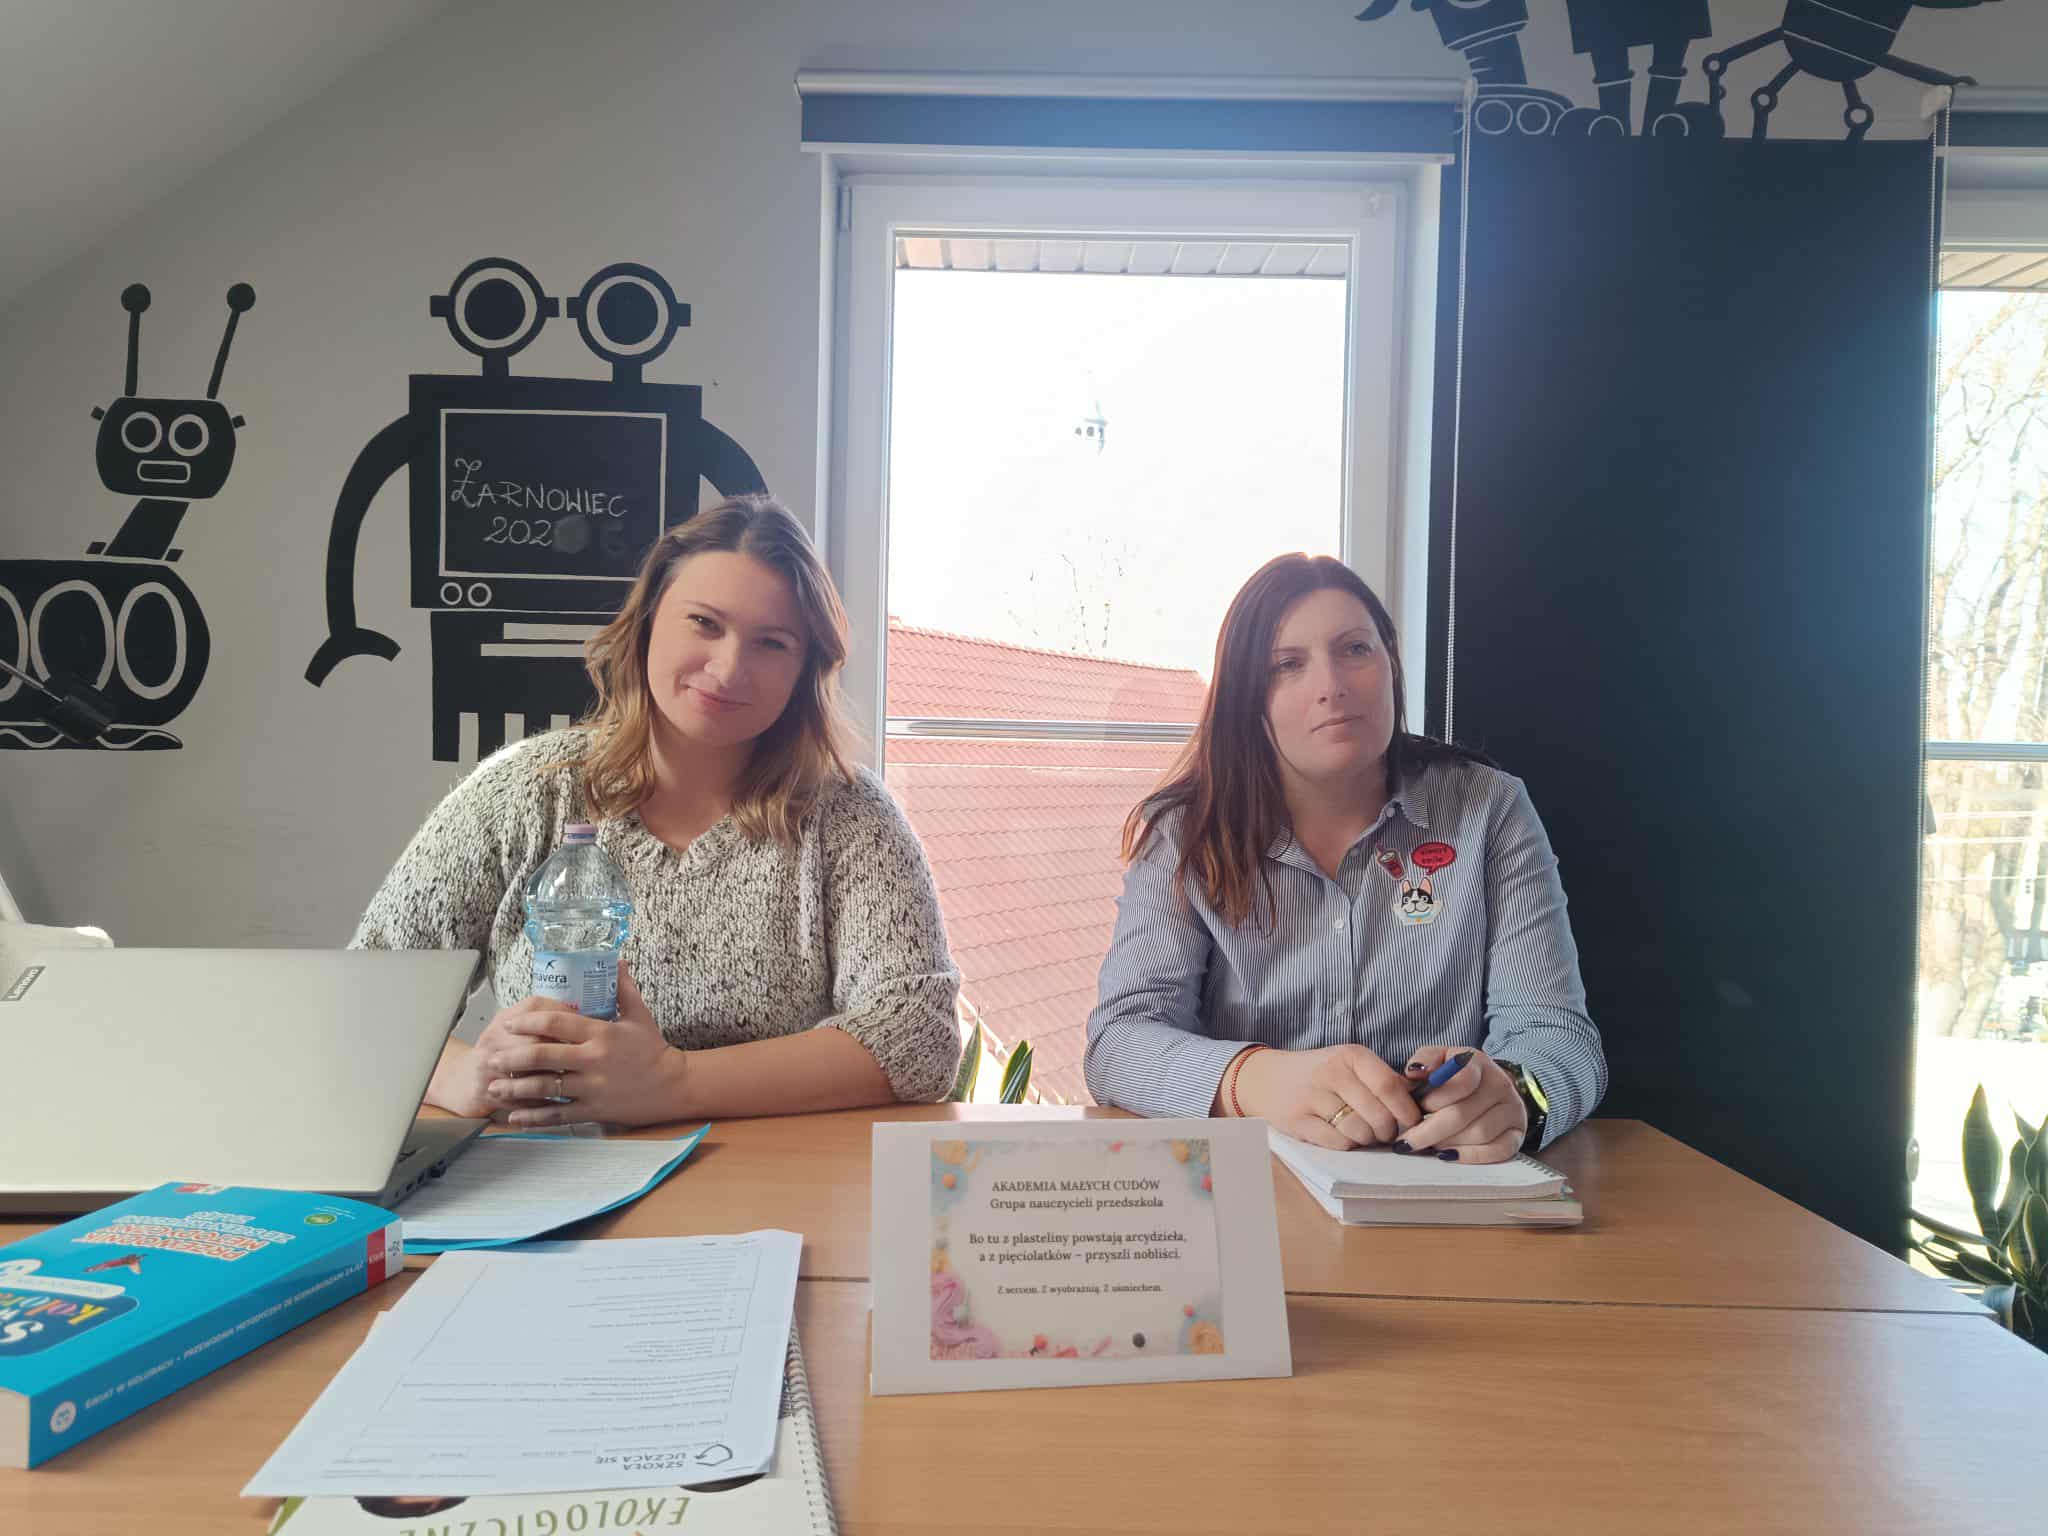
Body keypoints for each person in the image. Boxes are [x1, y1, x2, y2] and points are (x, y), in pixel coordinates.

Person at [353, 495, 961, 1127]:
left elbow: (919, 1037)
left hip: (770, 1179)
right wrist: (467, 1078)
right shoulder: (524, 792)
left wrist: (673, 1082)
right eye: (704, 623)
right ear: (646, 623)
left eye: (772, 643)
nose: (729, 669)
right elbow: (357, 1002)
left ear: (805, 668)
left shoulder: (849, 815)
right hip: (547, 1172)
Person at [1084, 553, 1604, 1162]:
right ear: (1248, 699)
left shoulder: (1490, 809)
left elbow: (1559, 1037)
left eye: (1355, 649)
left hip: (1444, 1187)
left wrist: (1517, 1095)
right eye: (1287, 665)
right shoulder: (1184, 834)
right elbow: (1117, 1043)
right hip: (1255, 1187)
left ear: (1391, 664)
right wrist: (1255, 1080)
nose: (1331, 686)